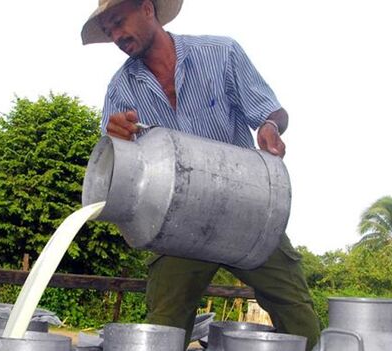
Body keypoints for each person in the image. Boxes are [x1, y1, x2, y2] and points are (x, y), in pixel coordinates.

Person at [81, 0, 321, 349]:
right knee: (163, 326)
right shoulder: (121, 88)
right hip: (175, 221)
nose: (116, 36)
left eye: (119, 22)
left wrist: (270, 126)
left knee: (296, 312)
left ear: (148, 9)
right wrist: (117, 140)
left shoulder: (220, 53)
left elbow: (273, 112)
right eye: (109, 30)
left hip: (247, 208)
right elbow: (113, 167)